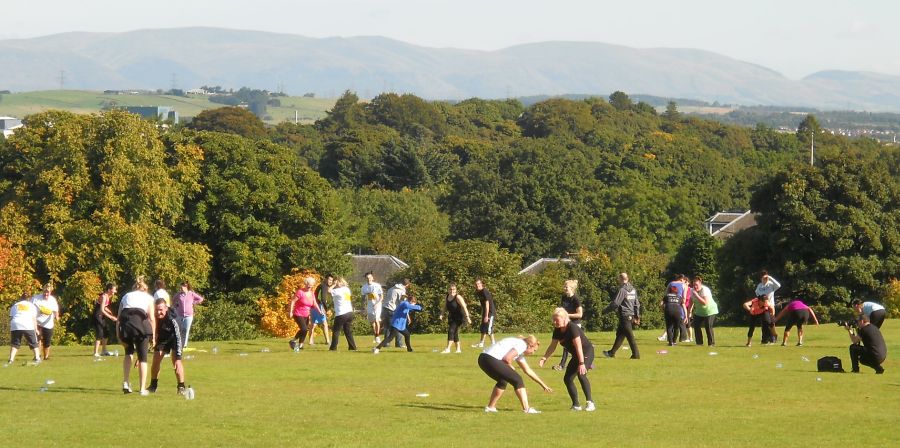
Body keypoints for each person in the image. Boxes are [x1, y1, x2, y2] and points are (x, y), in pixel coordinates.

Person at [539, 308, 596, 411]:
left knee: (581, 375)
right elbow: (552, 346)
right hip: (576, 355)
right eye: (554, 320)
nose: (554, 322)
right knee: (568, 379)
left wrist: (582, 363)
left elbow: (579, 347)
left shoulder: (572, 328)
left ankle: (590, 402)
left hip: (586, 352)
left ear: (565, 318)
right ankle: (576, 405)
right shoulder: (557, 330)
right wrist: (544, 358)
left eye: (557, 320)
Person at [478, 335, 552, 414]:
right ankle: (527, 409)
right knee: (518, 379)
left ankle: (490, 407)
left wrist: (543, 385)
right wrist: (511, 367)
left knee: (503, 380)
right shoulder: (522, 345)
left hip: (482, 359)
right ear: (530, 346)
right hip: (490, 359)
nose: (533, 353)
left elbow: (528, 370)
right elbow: (507, 358)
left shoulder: (519, 349)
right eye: (534, 350)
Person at [117, 277, 156, 395]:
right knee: (143, 357)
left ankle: (126, 382)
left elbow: (118, 318)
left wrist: (118, 336)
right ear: (145, 289)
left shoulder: (126, 296)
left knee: (128, 353)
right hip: (140, 326)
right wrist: (153, 337)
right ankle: (142, 388)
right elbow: (152, 318)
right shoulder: (148, 297)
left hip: (126, 326)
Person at [148, 298, 187, 394]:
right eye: (156, 309)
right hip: (163, 338)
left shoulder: (173, 318)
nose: (158, 312)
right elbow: (151, 331)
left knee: (176, 362)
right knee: (156, 359)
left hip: (175, 337)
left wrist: (178, 354)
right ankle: (153, 386)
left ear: (166, 308)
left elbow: (178, 336)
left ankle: (181, 386)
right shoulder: (152, 316)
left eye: (161, 310)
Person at [602, 272, 641, 359]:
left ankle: (636, 355)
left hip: (624, 315)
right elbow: (637, 304)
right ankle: (611, 353)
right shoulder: (633, 289)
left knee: (630, 336)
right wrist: (637, 316)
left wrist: (605, 311)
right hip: (630, 315)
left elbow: (616, 303)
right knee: (620, 335)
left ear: (620, 279)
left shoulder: (623, 290)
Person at [556, 279, 583, 370]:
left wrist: (567, 315)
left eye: (566, 287)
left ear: (571, 288)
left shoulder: (576, 299)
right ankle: (586, 363)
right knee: (566, 345)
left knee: (573, 346)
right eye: (564, 286)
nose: (564, 288)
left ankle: (562, 365)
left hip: (575, 325)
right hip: (566, 324)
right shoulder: (564, 297)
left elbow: (580, 314)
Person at [8, 293, 41, 365]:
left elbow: (11, 317)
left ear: (20, 298)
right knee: (33, 342)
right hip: (27, 324)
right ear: (28, 299)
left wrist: (12, 327)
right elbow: (34, 319)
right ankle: (37, 358)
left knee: (15, 343)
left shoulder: (15, 305)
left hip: (16, 324)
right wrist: (36, 329)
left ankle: (11, 360)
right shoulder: (31, 305)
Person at [439, 283, 471, 353]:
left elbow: (464, 307)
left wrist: (468, 317)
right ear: (448, 290)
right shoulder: (447, 297)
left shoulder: (458, 297)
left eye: (453, 289)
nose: (452, 291)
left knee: (451, 331)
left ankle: (448, 349)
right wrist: (442, 314)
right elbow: (445, 306)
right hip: (452, 317)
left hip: (459, 317)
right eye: (450, 289)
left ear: (456, 290)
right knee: (455, 332)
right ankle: (458, 349)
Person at [31, 283, 60, 361]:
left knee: (47, 341)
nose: (46, 294)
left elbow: (56, 310)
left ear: (50, 292)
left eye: (48, 292)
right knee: (38, 339)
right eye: (45, 292)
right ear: (43, 291)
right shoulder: (35, 298)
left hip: (48, 323)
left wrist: (57, 317)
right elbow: (30, 308)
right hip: (37, 322)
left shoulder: (52, 300)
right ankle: (37, 356)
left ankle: (46, 357)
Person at [172, 281, 204, 348]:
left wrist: (194, 303)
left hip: (189, 315)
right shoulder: (179, 294)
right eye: (181, 286)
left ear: (187, 287)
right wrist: (175, 306)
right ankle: (178, 343)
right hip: (180, 314)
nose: (182, 287)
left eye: (184, 286)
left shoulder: (191, 294)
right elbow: (173, 300)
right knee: (179, 329)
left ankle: (184, 345)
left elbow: (201, 299)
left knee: (186, 329)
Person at [689, 276, 719, 346]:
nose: (695, 286)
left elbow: (705, 302)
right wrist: (689, 312)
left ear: (700, 284)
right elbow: (691, 302)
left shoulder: (705, 290)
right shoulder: (692, 290)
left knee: (708, 326)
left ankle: (711, 344)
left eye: (696, 285)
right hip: (699, 312)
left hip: (709, 311)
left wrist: (696, 295)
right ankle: (699, 343)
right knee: (696, 325)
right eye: (694, 285)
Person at [288, 277, 316, 351]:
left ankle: (301, 345)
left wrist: (320, 312)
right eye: (308, 285)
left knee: (305, 330)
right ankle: (293, 340)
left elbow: (314, 303)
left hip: (306, 314)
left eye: (311, 285)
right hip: (298, 313)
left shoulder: (312, 293)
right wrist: (290, 312)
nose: (309, 286)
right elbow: (293, 301)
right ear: (305, 284)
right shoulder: (300, 292)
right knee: (303, 329)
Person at [329, 277, 356, 351]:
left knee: (336, 331)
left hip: (341, 313)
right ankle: (352, 347)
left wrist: (333, 285)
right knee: (348, 330)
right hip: (349, 312)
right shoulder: (347, 289)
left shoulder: (337, 290)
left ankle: (333, 347)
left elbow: (329, 291)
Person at [92, 282, 119, 357]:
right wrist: (111, 317)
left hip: (101, 316)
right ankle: (95, 353)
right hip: (97, 316)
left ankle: (104, 351)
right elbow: (101, 310)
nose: (115, 291)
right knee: (99, 333)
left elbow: (104, 307)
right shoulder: (104, 296)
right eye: (114, 290)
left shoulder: (108, 296)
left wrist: (109, 311)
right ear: (109, 290)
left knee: (106, 332)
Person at [382, 279, 410, 348]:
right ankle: (399, 343)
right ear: (407, 285)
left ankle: (386, 343)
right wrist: (407, 315)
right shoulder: (401, 291)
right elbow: (402, 303)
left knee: (388, 327)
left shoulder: (391, 288)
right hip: (393, 309)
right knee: (398, 326)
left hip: (385, 308)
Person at [755, 271, 781, 343]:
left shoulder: (771, 284)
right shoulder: (759, 286)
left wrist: (769, 277)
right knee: (764, 322)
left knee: (771, 321)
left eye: (766, 278)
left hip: (770, 305)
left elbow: (778, 285)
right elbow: (757, 293)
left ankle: (773, 337)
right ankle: (764, 339)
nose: (765, 279)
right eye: (763, 278)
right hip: (763, 306)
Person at [472, 278, 496, 348]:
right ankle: (482, 343)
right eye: (476, 284)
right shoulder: (479, 292)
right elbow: (483, 304)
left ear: (481, 284)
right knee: (483, 327)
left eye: (479, 284)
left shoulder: (484, 291)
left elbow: (487, 303)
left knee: (488, 328)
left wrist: (486, 315)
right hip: (485, 312)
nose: (477, 285)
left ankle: (493, 343)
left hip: (490, 313)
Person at [361, 272, 384, 344]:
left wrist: (377, 303)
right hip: (369, 305)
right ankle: (376, 336)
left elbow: (381, 296)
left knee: (377, 320)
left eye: (370, 278)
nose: (369, 279)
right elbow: (363, 298)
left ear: (372, 278)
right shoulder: (364, 287)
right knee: (372, 321)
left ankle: (377, 336)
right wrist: (363, 307)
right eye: (367, 278)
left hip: (377, 305)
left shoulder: (377, 285)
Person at [310, 274, 334, 345]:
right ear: (325, 279)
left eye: (331, 280)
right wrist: (326, 309)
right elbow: (323, 299)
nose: (330, 281)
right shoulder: (324, 286)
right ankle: (326, 341)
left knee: (318, 323)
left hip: (315, 305)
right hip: (319, 306)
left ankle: (313, 341)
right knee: (321, 323)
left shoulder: (322, 285)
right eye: (329, 280)